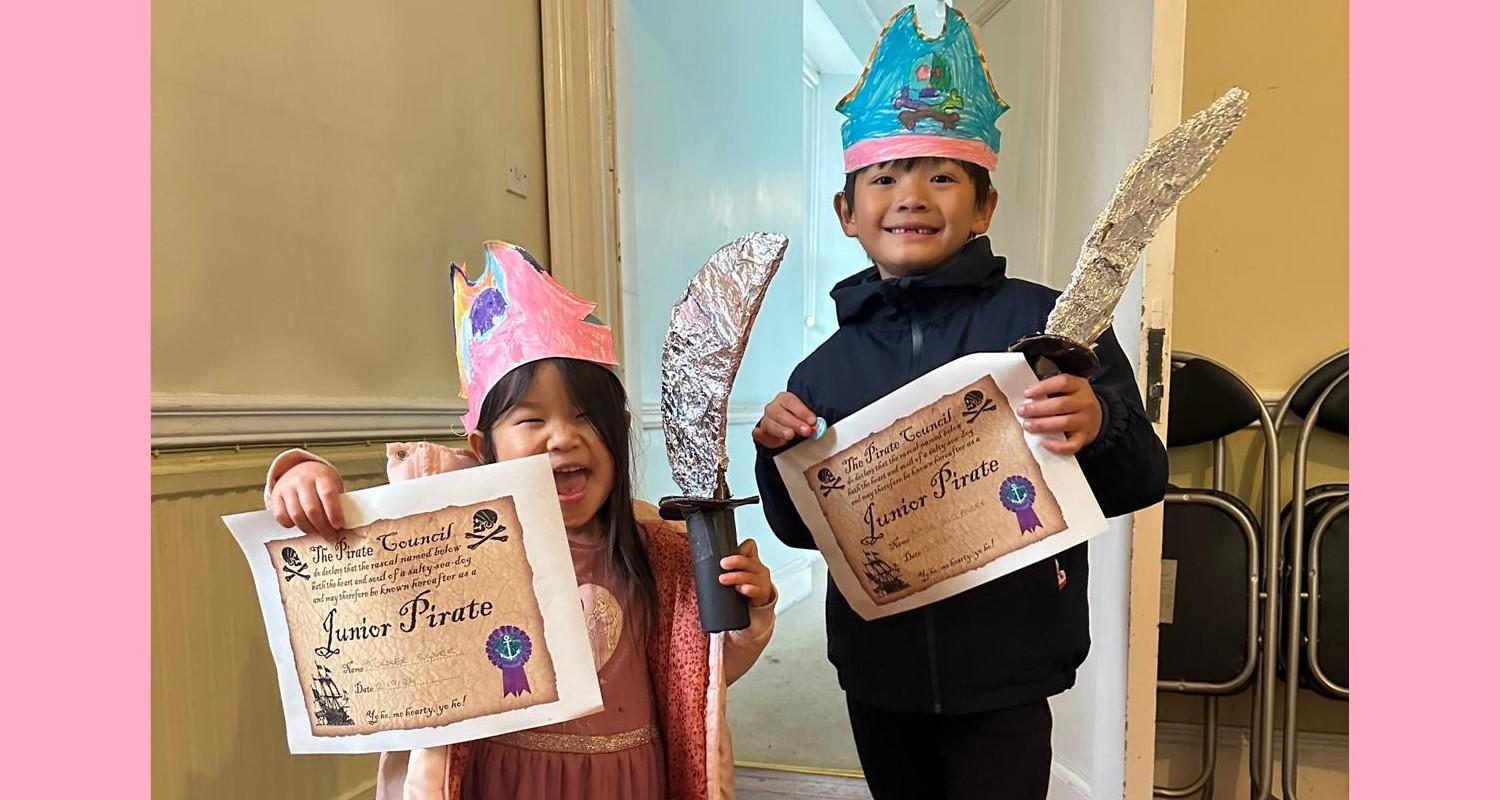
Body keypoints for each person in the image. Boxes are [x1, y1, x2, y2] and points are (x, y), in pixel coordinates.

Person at [750, 6, 1167, 799]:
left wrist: (1099, 421)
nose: (911, 195)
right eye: (884, 177)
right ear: (848, 214)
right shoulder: (821, 370)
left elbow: (1140, 477)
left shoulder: (1051, 327)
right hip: (878, 667)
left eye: (941, 175)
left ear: (984, 207)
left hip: (1007, 666)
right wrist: (780, 456)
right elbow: (800, 530)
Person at [266, 241, 777, 799]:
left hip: (630, 778)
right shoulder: (455, 542)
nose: (563, 436)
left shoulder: (652, 551)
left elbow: (697, 677)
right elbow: (366, 550)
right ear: (484, 447)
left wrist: (745, 613)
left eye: (587, 416)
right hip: (510, 780)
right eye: (531, 419)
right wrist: (304, 480)